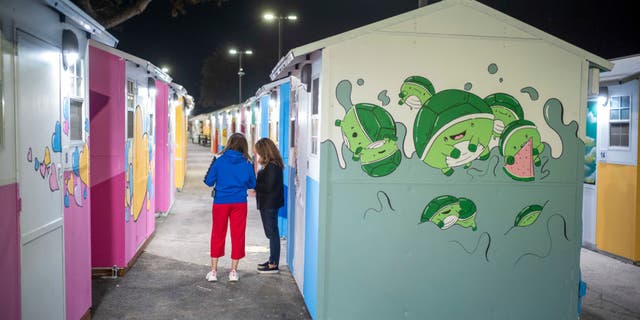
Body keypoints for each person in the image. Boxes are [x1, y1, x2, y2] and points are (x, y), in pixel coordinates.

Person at [203, 132, 256, 282]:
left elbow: (208, 181)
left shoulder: (218, 160)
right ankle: (233, 272)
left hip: (220, 202)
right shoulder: (247, 162)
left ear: (229, 143)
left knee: (217, 234)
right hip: (239, 202)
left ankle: (213, 271)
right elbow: (253, 184)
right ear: (244, 146)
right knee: (238, 234)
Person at [253, 138, 285, 274]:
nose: (258, 154)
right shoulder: (271, 164)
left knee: (272, 233)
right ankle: (272, 260)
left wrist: (254, 184)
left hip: (269, 204)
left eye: (259, 152)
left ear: (264, 151)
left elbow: (268, 186)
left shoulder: (272, 166)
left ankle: (273, 264)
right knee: (271, 233)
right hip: (268, 203)